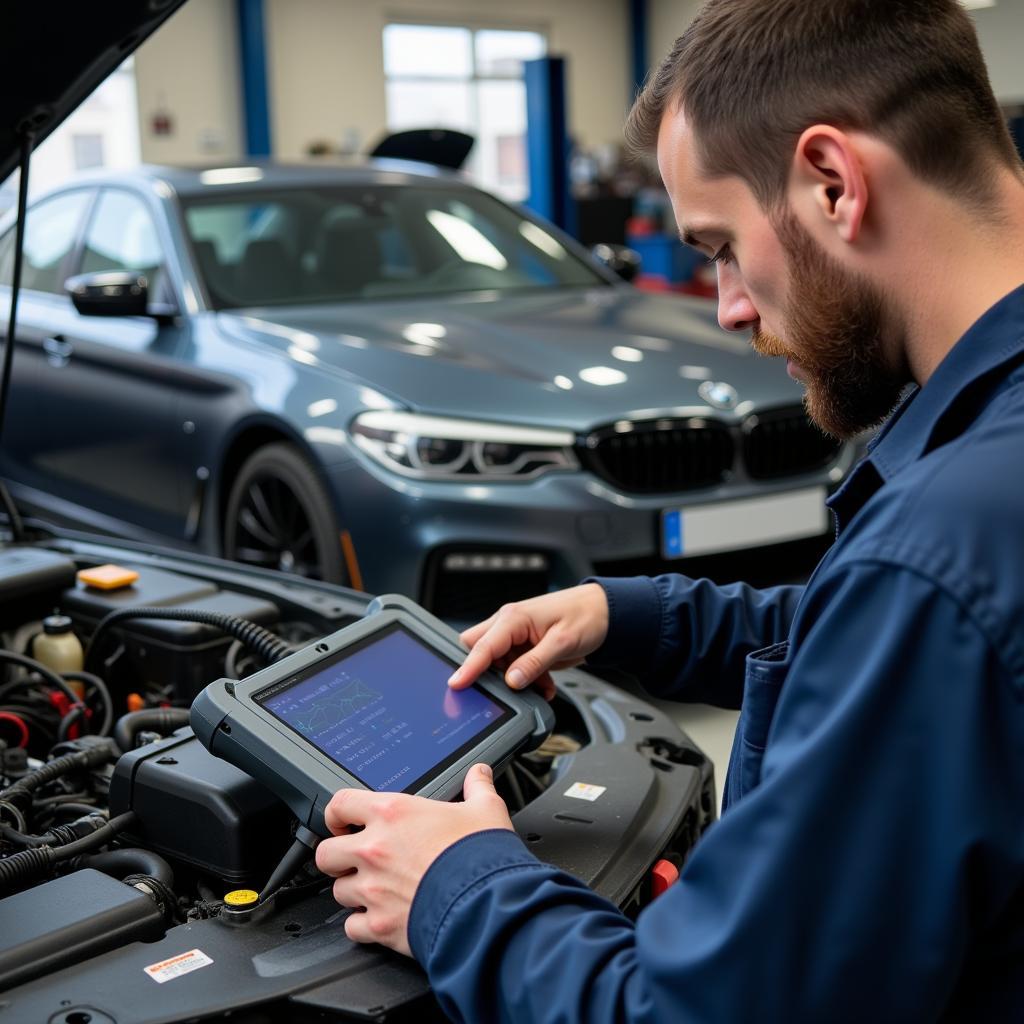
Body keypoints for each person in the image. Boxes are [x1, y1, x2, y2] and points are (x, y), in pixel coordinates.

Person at [314, 0, 1024, 1018]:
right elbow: (907, 657)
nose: (728, 304)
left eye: (722, 245)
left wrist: (456, 885)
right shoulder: (970, 518)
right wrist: (627, 615)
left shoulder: (936, 556)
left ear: (834, 182)